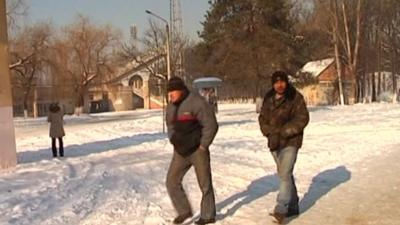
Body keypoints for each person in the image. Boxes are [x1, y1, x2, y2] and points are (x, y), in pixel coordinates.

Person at [165, 77, 219, 225]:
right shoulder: (170, 106)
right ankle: (184, 211)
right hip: (180, 151)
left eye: (173, 92)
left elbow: (211, 124)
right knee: (171, 181)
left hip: (197, 150)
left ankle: (208, 215)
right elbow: (169, 125)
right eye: (169, 92)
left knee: (205, 183)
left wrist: (203, 145)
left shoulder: (197, 102)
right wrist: (173, 139)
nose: (171, 95)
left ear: (181, 90)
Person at [258, 71, 309, 223]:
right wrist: (268, 131)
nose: (279, 85)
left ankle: (281, 207)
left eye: (282, 82)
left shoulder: (295, 97)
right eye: (276, 82)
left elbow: (303, 118)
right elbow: (262, 118)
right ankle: (293, 206)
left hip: (291, 141)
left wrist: (286, 131)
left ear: (286, 82)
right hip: (274, 142)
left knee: (285, 172)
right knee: (284, 174)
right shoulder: (268, 99)